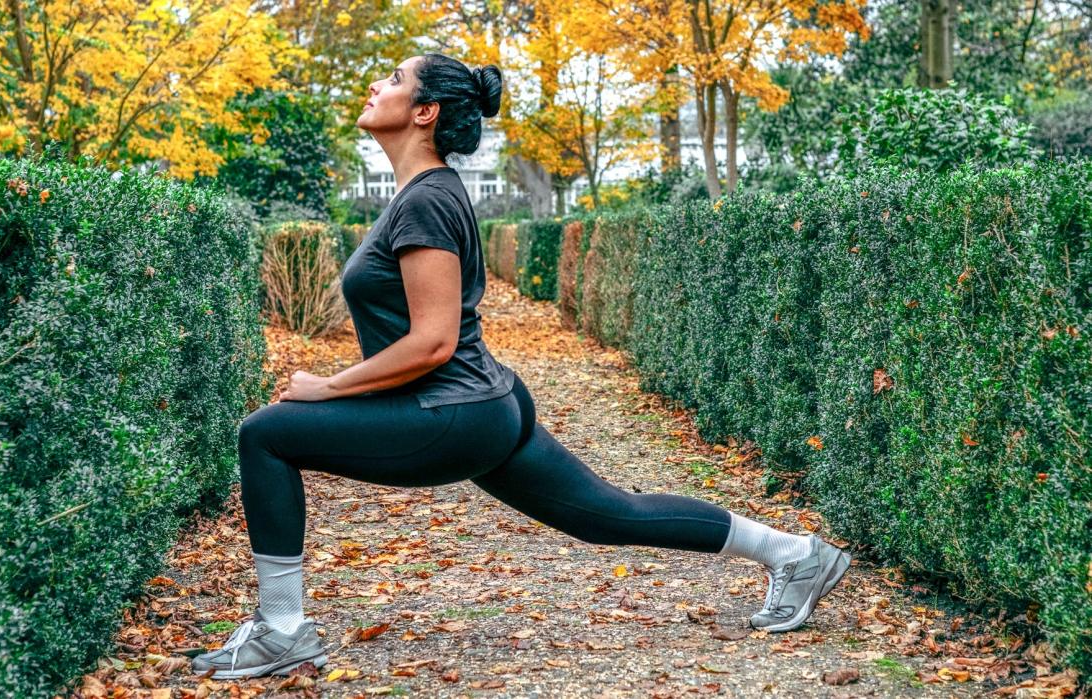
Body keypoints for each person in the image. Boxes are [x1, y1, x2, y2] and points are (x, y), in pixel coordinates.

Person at [191, 53, 852, 680]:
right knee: (609, 514)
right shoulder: (427, 193)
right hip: (483, 403)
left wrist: (326, 387)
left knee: (266, 432)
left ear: (425, 111)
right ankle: (796, 554)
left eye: (392, 78)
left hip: (454, 409)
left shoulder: (425, 200)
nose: (375, 86)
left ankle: (281, 627)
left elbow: (432, 342)